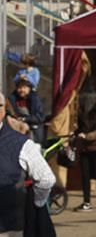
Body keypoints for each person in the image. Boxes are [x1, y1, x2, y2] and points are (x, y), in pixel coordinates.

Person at [0, 93, 56, 236]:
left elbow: (46, 178)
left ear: (3, 110)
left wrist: (37, 203)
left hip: (8, 228)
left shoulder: (22, 144)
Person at [7, 78, 44, 144]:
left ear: (29, 88)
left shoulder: (35, 100)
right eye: (19, 87)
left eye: (24, 87)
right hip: (16, 129)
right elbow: (9, 114)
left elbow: (40, 117)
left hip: (33, 130)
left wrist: (25, 119)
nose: (21, 90)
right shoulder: (12, 99)